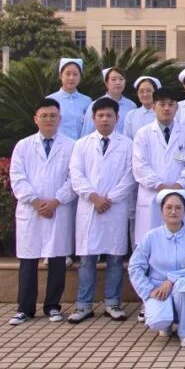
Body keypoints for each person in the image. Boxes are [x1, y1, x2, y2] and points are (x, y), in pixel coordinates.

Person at [8, 98, 77, 325]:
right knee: (28, 260)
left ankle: (53, 306)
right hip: (31, 211)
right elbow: (17, 178)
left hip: (58, 209)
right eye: (44, 116)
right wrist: (36, 202)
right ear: (35, 119)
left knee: (57, 260)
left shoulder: (71, 146)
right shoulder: (23, 146)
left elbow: (74, 179)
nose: (49, 119)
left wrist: (56, 201)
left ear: (60, 119)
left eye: (53, 116)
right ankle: (25, 309)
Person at [68, 97, 137, 323]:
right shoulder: (81, 144)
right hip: (89, 208)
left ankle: (113, 303)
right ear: (93, 118)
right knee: (87, 259)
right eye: (100, 115)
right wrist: (94, 197)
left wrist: (110, 199)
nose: (105, 119)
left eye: (109, 115)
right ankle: (83, 305)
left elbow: (130, 176)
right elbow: (76, 175)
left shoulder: (127, 145)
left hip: (115, 209)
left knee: (115, 259)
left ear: (117, 118)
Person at [127, 189, 185, 347]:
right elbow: (135, 266)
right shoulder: (151, 236)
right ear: (162, 210)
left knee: (184, 287)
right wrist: (148, 290)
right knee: (158, 321)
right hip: (158, 287)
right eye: (169, 207)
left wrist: (171, 280)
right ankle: (166, 323)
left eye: (178, 208)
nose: (173, 211)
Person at [131, 88, 185, 244]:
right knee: (151, 244)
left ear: (177, 107)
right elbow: (140, 166)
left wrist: (178, 185)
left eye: (171, 104)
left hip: (179, 194)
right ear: (153, 106)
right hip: (152, 197)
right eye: (162, 104)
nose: (167, 108)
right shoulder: (143, 134)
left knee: (179, 244)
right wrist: (160, 186)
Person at [80, 67, 137, 137]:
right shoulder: (95, 105)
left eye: (121, 79)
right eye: (113, 79)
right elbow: (87, 133)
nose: (118, 83)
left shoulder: (131, 106)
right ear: (106, 83)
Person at [48, 58, 92, 140]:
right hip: (58, 145)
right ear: (60, 76)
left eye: (75, 74)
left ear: (80, 77)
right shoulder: (50, 100)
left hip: (81, 145)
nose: (71, 78)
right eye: (67, 74)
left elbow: (90, 126)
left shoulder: (87, 101)